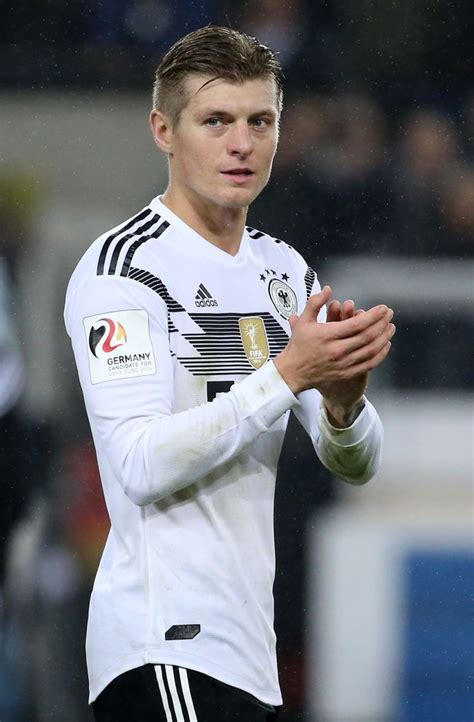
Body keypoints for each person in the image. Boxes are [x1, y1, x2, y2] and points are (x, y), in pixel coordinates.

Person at [64, 26, 395, 722]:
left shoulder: (282, 270)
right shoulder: (125, 269)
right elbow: (139, 464)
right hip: (163, 648)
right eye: (215, 121)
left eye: (260, 121)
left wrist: (342, 404)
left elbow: (358, 465)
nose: (241, 143)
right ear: (164, 130)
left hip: (247, 653)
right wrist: (285, 374)